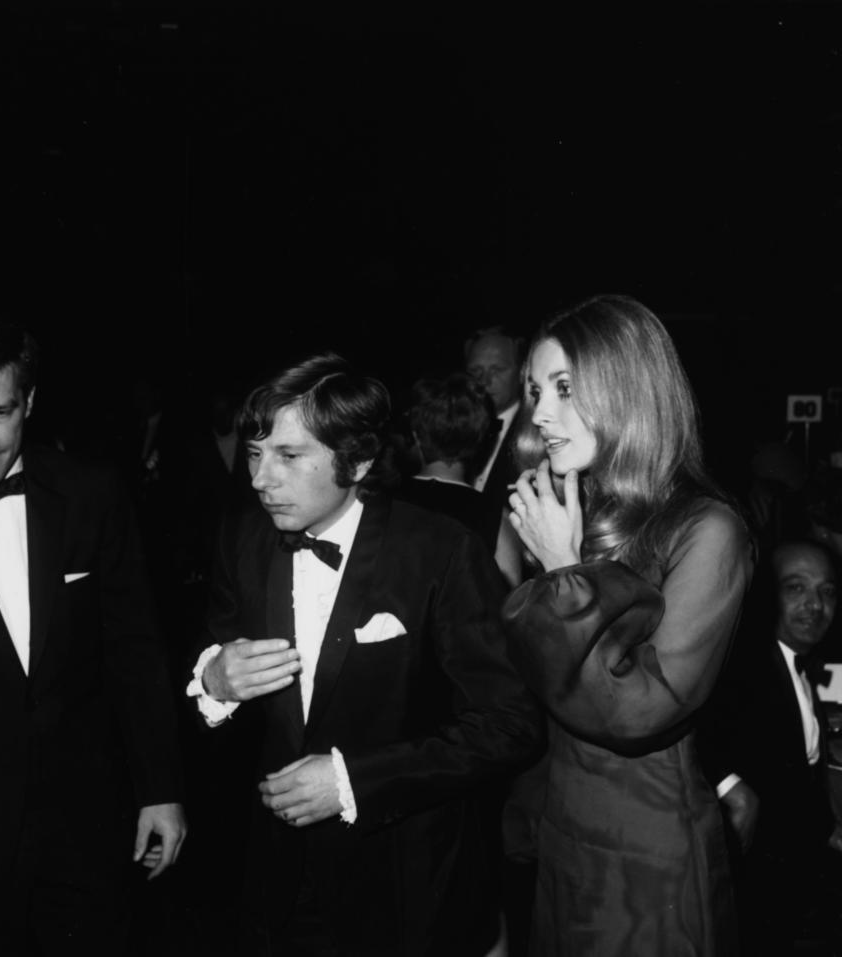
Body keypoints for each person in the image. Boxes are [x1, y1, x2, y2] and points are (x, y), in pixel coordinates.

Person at [186, 352, 544, 957]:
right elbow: (218, 691)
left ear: (357, 460)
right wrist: (214, 683)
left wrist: (355, 781)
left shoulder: (441, 551)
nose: (258, 479)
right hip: (279, 885)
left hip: (406, 887)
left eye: (288, 456)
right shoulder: (243, 537)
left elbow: (510, 724)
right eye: (254, 454)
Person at [0, 305, 187, 957]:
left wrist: (160, 787)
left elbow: (134, 651)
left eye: (2, 411)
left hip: (85, 830)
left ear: (31, 402)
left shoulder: (91, 494)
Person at [500, 294, 754, 955]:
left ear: (627, 390)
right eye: (534, 390)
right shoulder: (570, 509)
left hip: (649, 853)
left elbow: (640, 710)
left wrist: (561, 569)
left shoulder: (708, 529)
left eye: (564, 389)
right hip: (563, 835)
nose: (540, 412)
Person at [700, 539, 842, 953]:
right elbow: (688, 726)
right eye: (796, 588)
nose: (815, 606)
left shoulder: (802, 665)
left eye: (827, 592)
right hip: (752, 882)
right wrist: (731, 787)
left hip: (796, 871)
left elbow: (798, 775)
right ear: (768, 595)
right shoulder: (743, 664)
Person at [396, 372, 523, 586]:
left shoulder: (377, 502)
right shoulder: (495, 520)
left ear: (417, 436)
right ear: (482, 442)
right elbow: (512, 608)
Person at [464, 326, 526, 514]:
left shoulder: (535, 432)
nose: (484, 381)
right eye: (475, 371)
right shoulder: (456, 425)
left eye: (497, 369)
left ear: (522, 371)